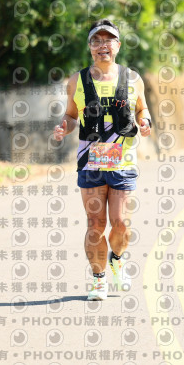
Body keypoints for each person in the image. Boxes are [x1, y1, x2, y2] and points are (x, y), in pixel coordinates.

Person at [53, 19, 152, 300]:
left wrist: (145, 122)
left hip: (123, 163)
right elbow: (71, 115)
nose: (102, 45)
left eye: (108, 40)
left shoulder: (133, 79)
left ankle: (116, 259)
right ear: (90, 47)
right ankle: (98, 279)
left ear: (117, 46)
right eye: (96, 41)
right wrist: (64, 127)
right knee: (95, 224)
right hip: (91, 163)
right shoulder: (77, 80)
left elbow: (142, 109)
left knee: (121, 223)